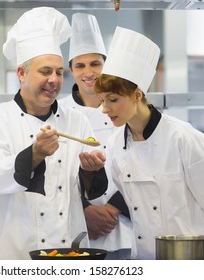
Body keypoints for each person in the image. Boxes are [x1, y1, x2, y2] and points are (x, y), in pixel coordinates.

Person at [0, 7, 108, 260]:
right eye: (45, 72)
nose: (54, 80)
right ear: (22, 74)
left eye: (58, 72)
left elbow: (90, 189)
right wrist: (34, 154)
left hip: (69, 251)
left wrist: (91, 171)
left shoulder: (76, 120)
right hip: (15, 252)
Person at [93, 26, 204, 260]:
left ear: (137, 94)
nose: (104, 108)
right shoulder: (116, 142)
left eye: (113, 99)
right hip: (145, 258)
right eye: (102, 100)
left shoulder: (182, 137)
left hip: (193, 256)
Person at [58, 13, 132, 260]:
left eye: (95, 64)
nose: (88, 72)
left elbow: (143, 162)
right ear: (71, 69)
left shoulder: (124, 108)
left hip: (127, 224)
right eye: (80, 65)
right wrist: (86, 210)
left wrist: (114, 207)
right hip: (80, 227)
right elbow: (58, 170)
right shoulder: (60, 113)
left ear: (106, 64)